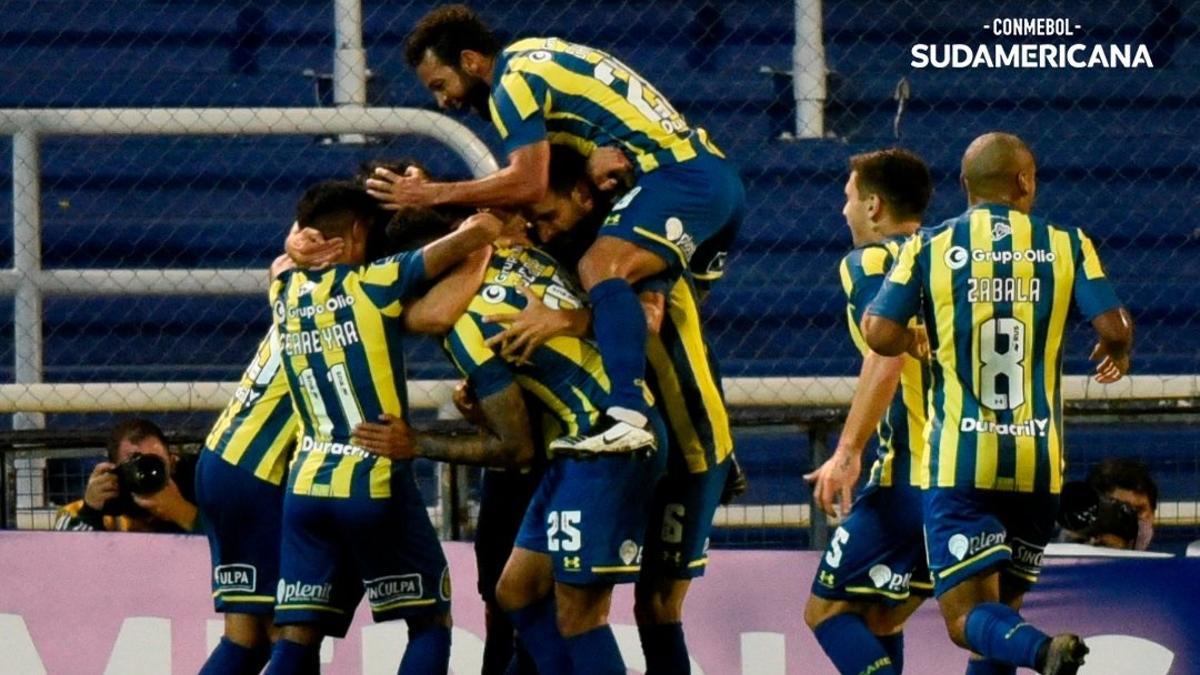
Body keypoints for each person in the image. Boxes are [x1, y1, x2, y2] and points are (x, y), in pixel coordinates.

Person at [368, 4, 745, 457]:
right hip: (701, 179)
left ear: (470, 61)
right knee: (666, 323)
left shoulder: (511, 84)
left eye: (440, 85)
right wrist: (588, 161)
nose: (442, 101)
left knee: (599, 266)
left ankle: (628, 417)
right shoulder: (535, 56)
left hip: (676, 179)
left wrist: (430, 195)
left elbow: (529, 182)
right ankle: (713, 461)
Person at [863, 132, 1134, 675]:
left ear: (964, 186)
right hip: (1037, 466)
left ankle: (1043, 651)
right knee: (1001, 618)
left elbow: (877, 331)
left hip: (962, 461)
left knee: (968, 623)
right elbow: (1112, 324)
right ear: (1025, 182)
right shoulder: (1068, 243)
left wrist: (915, 340)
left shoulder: (930, 245)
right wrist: (1117, 347)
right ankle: (1033, 647)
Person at [353, 210, 668, 675]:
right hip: (583, 445)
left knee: (580, 615)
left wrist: (416, 443)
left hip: (607, 447)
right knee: (516, 592)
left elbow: (515, 448)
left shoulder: (467, 329)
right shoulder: (516, 253)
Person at [484, 146, 739, 674]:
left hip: (690, 448)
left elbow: (646, 322)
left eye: (549, 215)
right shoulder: (573, 257)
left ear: (583, 195)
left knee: (654, 606)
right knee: (526, 591)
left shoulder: (631, 252)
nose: (543, 230)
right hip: (628, 446)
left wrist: (563, 320)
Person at [264, 180, 502, 674]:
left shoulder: (281, 286)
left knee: (296, 636)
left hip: (306, 488)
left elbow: (289, 249)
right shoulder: (377, 279)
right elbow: (480, 231)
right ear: (355, 232)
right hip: (372, 476)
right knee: (429, 619)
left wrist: (296, 240)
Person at [802, 148, 933, 675]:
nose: (844, 211)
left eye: (849, 198)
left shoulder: (873, 261)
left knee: (826, 612)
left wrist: (847, 451)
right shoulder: (944, 254)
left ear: (874, 206)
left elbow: (888, 355)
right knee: (882, 617)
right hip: (969, 470)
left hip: (912, 471)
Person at [54, 418, 198, 534]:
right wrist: (90, 511)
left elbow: (219, 546)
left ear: (173, 463)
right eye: (135, 464)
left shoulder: (199, 499)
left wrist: (183, 513)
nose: (145, 473)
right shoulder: (100, 510)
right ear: (114, 471)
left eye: (155, 463)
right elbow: (67, 557)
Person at [1059, 459, 1158, 550]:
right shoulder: (1061, 558)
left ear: (1152, 514)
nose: (1131, 518)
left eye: (1138, 510)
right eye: (1121, 510)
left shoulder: (1165, 567)